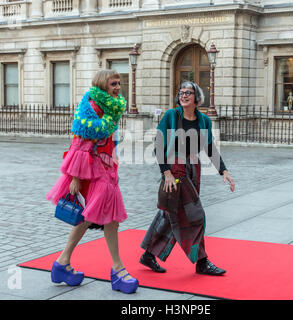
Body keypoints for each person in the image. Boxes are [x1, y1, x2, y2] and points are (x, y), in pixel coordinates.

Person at [46, 70, 138, 294]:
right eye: (113, 83)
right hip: (93, 170)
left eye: (118, 83)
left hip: (106, 167)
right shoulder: (93, 107)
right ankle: (117, 270)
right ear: (102, 85)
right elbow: (79, 142)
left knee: (90, 217)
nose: (117, 87)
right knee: (110, 219)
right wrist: (76, 177)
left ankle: (62, 263)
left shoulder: (111, 106)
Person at [139, 81, 235, 276]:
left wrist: (223, 170)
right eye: (181, 92)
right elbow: (158, 145)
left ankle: (149, 254)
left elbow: (209, 148)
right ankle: (202, 261)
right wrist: (166, 173)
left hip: (193, 169)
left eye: (188, 93)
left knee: (169, 214)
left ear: (197, 98)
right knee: (195, 215)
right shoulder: (170, 116)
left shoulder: (204, 121)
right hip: (175, 170)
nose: (184, 96)